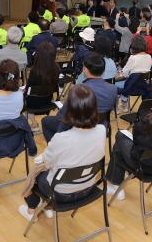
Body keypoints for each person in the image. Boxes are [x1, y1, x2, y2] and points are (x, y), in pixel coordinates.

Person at [18, 84, 106, 222]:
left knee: (35, 172)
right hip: (88, 186)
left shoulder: (62, 138)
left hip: (60, 194)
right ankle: (47, 207)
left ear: (69, 109)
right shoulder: (102, 130)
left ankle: (32, 210)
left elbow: (46, 162)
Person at [42, 52, 118, 143]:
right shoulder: (113, 89)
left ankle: (58, 150)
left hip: (79, 129)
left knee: (46, 121)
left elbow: (61, 115)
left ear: (85, 69)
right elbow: (111, 108)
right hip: (101, 128)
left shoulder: (78, 90)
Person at [26, 42, 60, 130]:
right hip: (47, 100)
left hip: (32, 104)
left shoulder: (34, 71)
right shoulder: (56, 68)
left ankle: (34, 123)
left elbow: (28, 89)